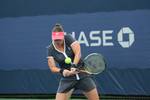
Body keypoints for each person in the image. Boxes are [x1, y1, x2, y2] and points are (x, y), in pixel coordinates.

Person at [47, 23, 100, 100]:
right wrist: (62, 71)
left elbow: (78, 52)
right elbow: (52, 67)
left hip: (82, 75)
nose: (58, 42)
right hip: (67, 79)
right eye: (56, 40)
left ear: (63, 36)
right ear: (52, 38)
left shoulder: (68, 38)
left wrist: (74, 65)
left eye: (60, 40)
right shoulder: (50, 49)